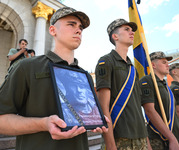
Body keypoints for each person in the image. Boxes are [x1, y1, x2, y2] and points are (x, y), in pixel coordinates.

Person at [0, 6, 108, 150]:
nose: (78, 30)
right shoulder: (27, 67)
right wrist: (44, 123)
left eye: (81, 27)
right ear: (52, 30)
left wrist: (94, 119)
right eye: (71, 24)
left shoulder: (85, 76)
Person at [95, 18, 149, 150]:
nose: (132, 33)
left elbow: (137, 106)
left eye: (132, 30)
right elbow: (103, 106)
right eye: (127, 29)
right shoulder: (106, 61)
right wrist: (111, 144)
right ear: (115, 36)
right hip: (120, 137)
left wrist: (147, 142)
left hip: (141, 136)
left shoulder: (133, 69)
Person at [139, 51, 179, 150]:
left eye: (167, 62)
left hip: (176, 137)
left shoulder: (165, 85)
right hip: (160, 140)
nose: (168, 65)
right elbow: (149, 110)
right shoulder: (147, 81)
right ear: (153, 65)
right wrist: (171, 138)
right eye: (164, 62)